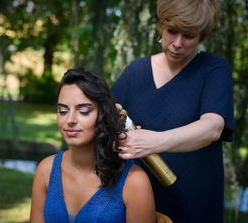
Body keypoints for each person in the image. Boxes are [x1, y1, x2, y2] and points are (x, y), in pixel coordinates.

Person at [111, 0, 234, 222]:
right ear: (161, 27)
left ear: (202, 36)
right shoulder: (135, 72)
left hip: (195, 205)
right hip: (136, 204)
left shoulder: (215, 69)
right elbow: (104, 120)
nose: (177, 43)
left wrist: (154, 142)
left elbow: (213, 127)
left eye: (189, 36)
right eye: (172, 31)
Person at [30, 68, 155, 223]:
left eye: (83, 111)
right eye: (62, 111)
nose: (70, 120)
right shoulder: (46, 170)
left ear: (103, 115)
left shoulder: (134, 181)